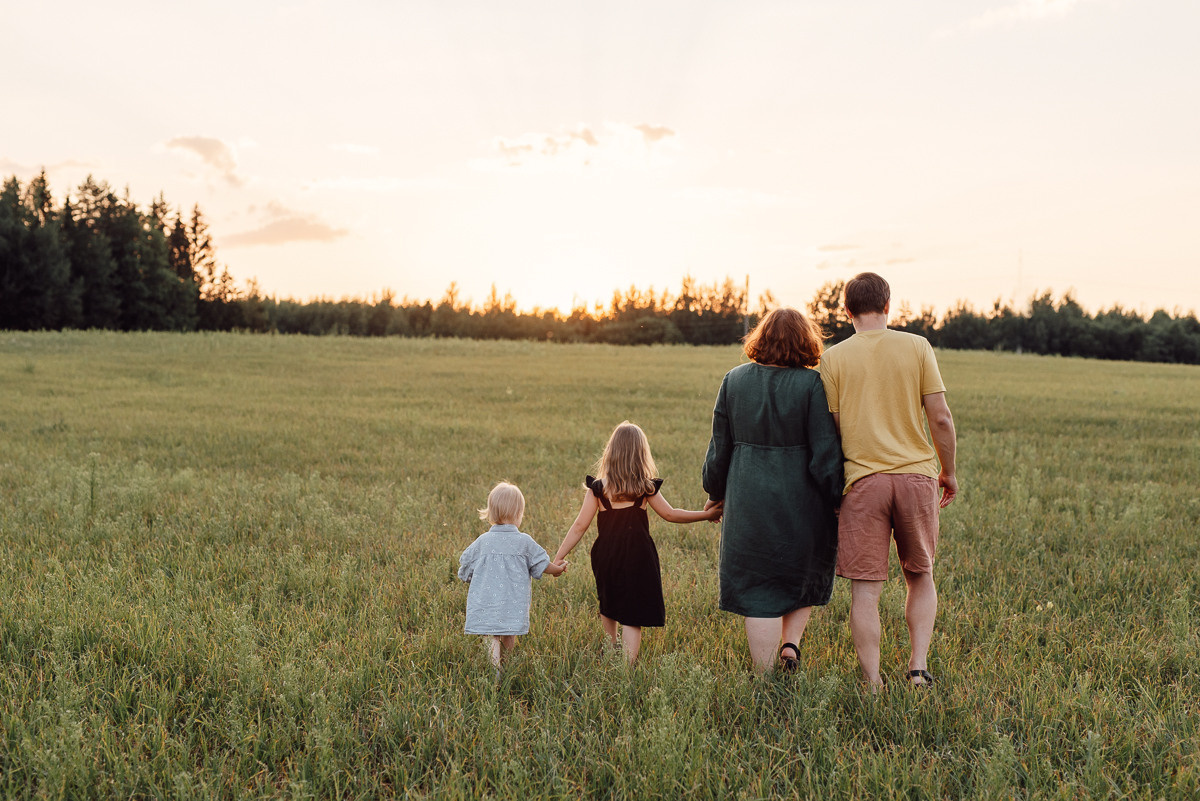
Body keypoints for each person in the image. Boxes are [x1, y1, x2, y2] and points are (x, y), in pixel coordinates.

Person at [818, 272, 958, 690]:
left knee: (866, 591)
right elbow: (941, 418)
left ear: (847, 311)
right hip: (916, 478)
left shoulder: (833, 358)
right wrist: (948, 472)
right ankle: (917, 669)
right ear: (888, 305)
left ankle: (874, 682)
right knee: (920, 575)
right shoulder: (917, 346)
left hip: (863, 482)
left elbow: (835, 430)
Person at [702, 307, 844, 673]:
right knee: (802, 570)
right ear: (806, 341)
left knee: (757, 588)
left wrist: (715, 491)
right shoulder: (811, 384)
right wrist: (836, 499)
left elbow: (720, 447)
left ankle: (765, 678)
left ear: (759, 338)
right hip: (802, 500)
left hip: (747, 498)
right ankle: (791, 646)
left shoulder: (733, 380)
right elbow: (825, 453)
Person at [552, 421, 723, 664]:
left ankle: (610, 646)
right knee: (632, 612)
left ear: (610, 453)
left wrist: (559, 556)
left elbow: (580, 526)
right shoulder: (645, 488)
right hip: (638, 555)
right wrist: (706, 514)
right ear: (641, 455)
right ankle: (628, 665)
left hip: (606, 555)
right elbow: (671, 514)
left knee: (607, 600)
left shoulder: (599, 489)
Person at [459, 481, 567, 669]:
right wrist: (557, 569)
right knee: (509, 632)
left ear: (491, 513)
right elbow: (541, 563)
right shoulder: (524, 542)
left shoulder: (483, 541)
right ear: (518, 514)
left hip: (487, 600)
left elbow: (466, 564)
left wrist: (467, 576)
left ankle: (493, 668)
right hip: (512, 602)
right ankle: (506, 665)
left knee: (490, 634)